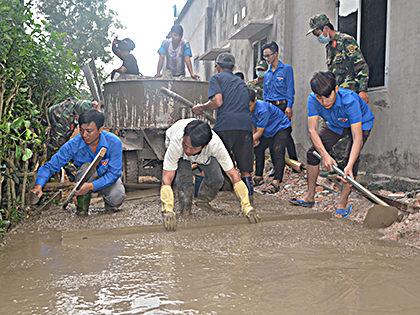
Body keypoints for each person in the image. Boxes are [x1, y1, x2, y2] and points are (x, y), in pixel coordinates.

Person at [290, 71, 374, 218]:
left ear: (336, 89)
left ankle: (342, 204)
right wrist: (325, 155)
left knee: (349, 162)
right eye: (319, 98)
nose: (324, 102)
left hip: (361, 124)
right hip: (336, 123)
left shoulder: (350, 101)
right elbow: (312, 131)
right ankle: (310, 197)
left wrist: (348, 166)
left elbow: (357, 138)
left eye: (327, 96)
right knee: (312, 154)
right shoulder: (312, 100)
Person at [160, 119, 260, 231]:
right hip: (178, 152)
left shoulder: (215, 145)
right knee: (184, 178)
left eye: (192, 148)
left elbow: (233, 175)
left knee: (217, 179)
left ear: (205, 146)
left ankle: (202, 202)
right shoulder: (177, 142)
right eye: (185, 145)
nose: (187, 150)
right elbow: (167, 178)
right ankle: (185, 210)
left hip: (204, 155)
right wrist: (167, 209)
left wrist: (247, 206)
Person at [31, 109, 126, 215]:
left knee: (117, 195)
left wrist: (91, 186)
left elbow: (114, 174)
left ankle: (110, 209)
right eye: (81, 130)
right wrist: (38, 186)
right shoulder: (73, 144)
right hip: (82, 181)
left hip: (106, 180)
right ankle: (82, 209)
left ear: (100, 129)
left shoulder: (114, 142)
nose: (84, 135)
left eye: (89, 131)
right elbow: (51, 166)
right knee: (86, 168)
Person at [192, 53, 254, 201]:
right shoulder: (241, 83)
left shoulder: (216, 78)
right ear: (233, 67)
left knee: (209, 159)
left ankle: (198, 198)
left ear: (218, 66)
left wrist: (201, 107)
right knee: (245, 169)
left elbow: (218, 101)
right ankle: (249, 202)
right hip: (245, 126)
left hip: (226, 125)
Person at [306, 14, 370, 104]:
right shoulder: (329, 47)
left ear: (326, 29)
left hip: (352, 94)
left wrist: (363, 90)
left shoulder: (346, 40)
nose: (318, 38)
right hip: (339, 97)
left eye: (317, 34)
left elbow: (361, 66)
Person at [46, 97, 103, 181]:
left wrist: (92, 104)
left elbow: (82, 103)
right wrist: (72, 169)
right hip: (42, 134)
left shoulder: (78, 105)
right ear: (76, 115)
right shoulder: (64, 121)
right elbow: (58, 148)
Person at [248, 88, 292, 194]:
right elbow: (253, 123)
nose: (247, 109)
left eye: (249, 106)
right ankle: (258, 177)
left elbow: (259, 132)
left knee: (278, 150)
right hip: (268, 131)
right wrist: (254, 138)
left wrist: (248, 140)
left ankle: (276, 181)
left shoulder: (263, 109)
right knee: (258, 148)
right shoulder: (246, 108)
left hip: (281, 127)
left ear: (255, 101)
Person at [262, 41, 298, 165]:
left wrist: (289, 106)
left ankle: (295, 162)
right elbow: (265, 93)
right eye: (264, 56)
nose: (266, 58)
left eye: (268, 55)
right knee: (273, 135)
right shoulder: (266, 73)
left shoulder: (286, 69)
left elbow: (290, 89)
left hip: (282, 106)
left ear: (276, 54)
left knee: (286, 134)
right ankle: (276, 165)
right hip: (271, 108)